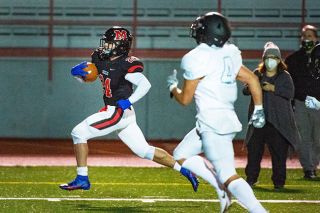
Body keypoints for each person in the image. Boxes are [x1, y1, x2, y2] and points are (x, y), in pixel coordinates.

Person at [59, 26, 199, 191]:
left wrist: (129, 100)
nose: (105, 46)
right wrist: (81, 75)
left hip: (118, 111)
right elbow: (95, 75)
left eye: (110, 43)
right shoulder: (99, 57)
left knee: (78, 132)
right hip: (124, 115)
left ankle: (82, 178)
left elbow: (145, 84)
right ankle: (184, 171)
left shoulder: (126, 64)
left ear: (120, 45)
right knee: (144, 151)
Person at [167, 12, 267, 213]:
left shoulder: (196, 58)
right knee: (180, 154)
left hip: (212, 124)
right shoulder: (230, 52)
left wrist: (172, 88)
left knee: (228, 175)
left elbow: (185, 98)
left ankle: (259, 211)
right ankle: (221, 190)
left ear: (205, 33)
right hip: (222, 120)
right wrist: (259, 109)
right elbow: (253, 80)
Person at [243, 42, 299, 190]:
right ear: (263, 58)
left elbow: (290, 93)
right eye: (267, 57)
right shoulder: (257, 74)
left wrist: (273, 88)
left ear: (279, 59)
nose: (270, 60)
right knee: (254, 152)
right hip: (259, 120)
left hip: (279, 122)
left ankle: (279, 182)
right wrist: (253, 86)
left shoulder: (285, 76)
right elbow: (245, 90)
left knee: (279, 154)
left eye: (274, 57)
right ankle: (251, 179)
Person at [285, 25, 320, 179]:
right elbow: (289, 83)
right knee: (303, 137)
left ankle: (314, 163)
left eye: (310, 36)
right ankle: (309, 168)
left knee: (318, 138)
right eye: (304, 36)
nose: (307, 39)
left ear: (316, 38)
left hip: (319, 103)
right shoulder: (292, 59)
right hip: (300, 103)